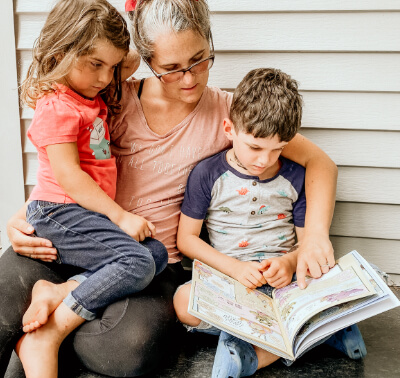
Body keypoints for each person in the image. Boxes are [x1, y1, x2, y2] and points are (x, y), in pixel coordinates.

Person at [2, 1, 338, 376]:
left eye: (199, 60)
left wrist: (313, 238)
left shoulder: (230, 114)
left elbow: (320, 163)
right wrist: (27, 211)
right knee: (2, 303)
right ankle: (49, 326)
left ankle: (54, 324)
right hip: (77, 237)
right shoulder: (113, 96)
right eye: (171, 68)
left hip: (153, 261)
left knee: (127, 349)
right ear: (147, 61)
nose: (190, 78)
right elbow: (65, 159)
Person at [173, 67, 367, 378]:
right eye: (255, 147)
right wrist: (234, 269)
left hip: (284, 284)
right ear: (229, 129)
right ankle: (320, 333)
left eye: (278, 148)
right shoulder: (208, 174)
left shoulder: (294, 176)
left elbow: (306, 245)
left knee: (301, 299)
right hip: (231, 278)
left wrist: (289, 264)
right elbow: (187, 240)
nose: (264, 160)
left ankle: (247, 356)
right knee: (183, 302)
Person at [14, 0, 168, 377]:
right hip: (60, 211)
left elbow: (128, 58)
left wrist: (129, 20)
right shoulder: (57, 107)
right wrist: (120, 215)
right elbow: (69, 177)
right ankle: (48, 332)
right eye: (95, 64)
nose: (106, 76)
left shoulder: (89, 93)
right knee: (135, 262)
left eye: (110, 66)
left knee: (156, 253)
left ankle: (58, 291)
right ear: (61, 53)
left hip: (81, 212)